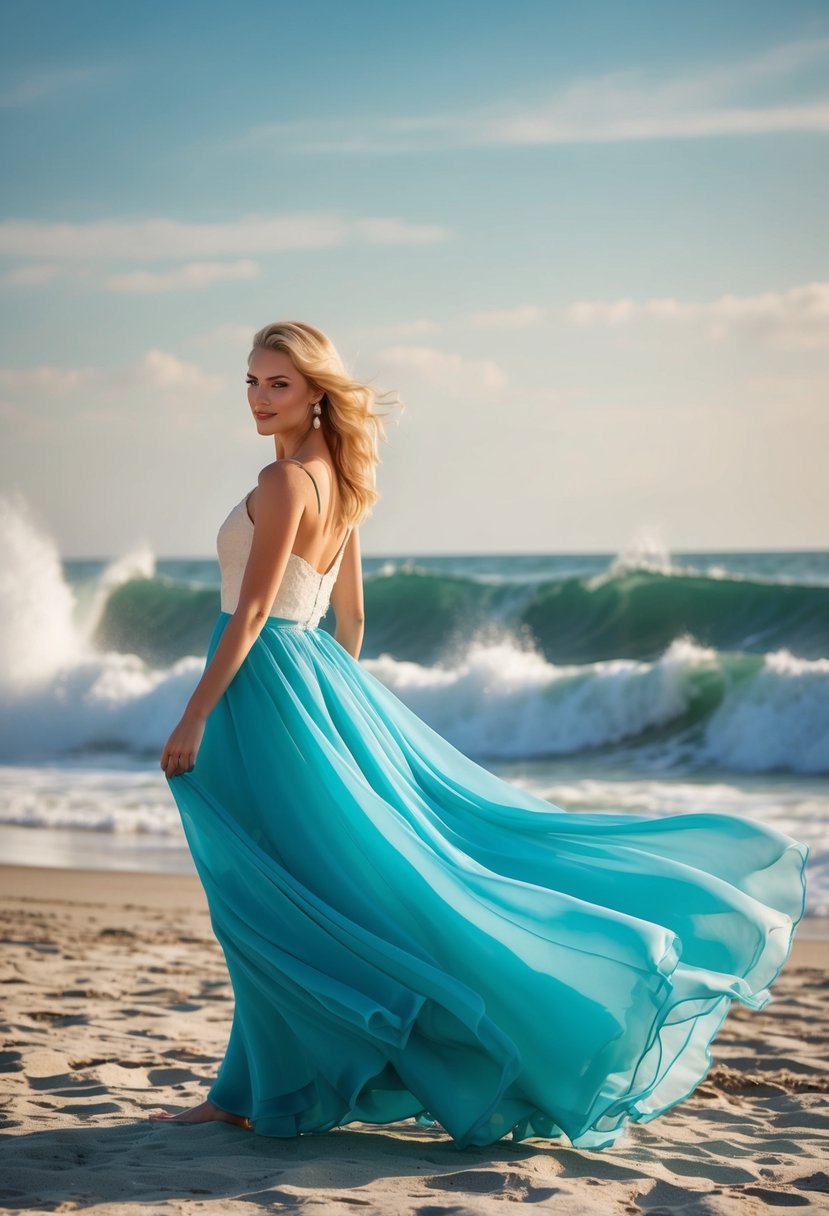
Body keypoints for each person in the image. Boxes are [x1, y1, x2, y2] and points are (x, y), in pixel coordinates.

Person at [149, 320, 808, 1150]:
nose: (257, 398)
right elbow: (349, 621)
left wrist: (197, 712)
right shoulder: (342, 483)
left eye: (276, 383)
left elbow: (250, 612)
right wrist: (334, 711)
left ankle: (258, 1089)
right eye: (249, 381)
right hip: (308, 683)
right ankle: (249, 1087)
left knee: (270, 900)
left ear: (316, 391)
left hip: (258, 689)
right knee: (306, 895)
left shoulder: (281, 485)